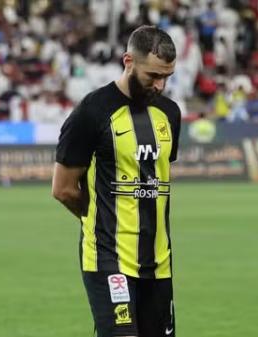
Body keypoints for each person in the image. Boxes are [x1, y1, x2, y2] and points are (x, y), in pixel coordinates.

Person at [51, 26, 181, 337]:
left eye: (167, 76)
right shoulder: (92, 112)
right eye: (153, 75)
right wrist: (102, 221)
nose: (160, 85)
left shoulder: (170, 114)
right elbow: (64, 189)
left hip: (159, 262)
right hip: (109, 258)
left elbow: (154, 180)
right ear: (128, 61)